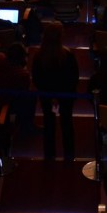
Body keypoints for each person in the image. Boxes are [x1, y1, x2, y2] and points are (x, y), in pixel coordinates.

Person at [31, 22, 79, 161]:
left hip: (46, 95)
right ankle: (69, 154)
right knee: (67, 124)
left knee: (49, 124)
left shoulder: (39, 56)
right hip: (66, 95)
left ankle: (49, 154)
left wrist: (48, 93)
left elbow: (37, 78)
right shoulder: (68, 55)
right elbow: (73, 78)